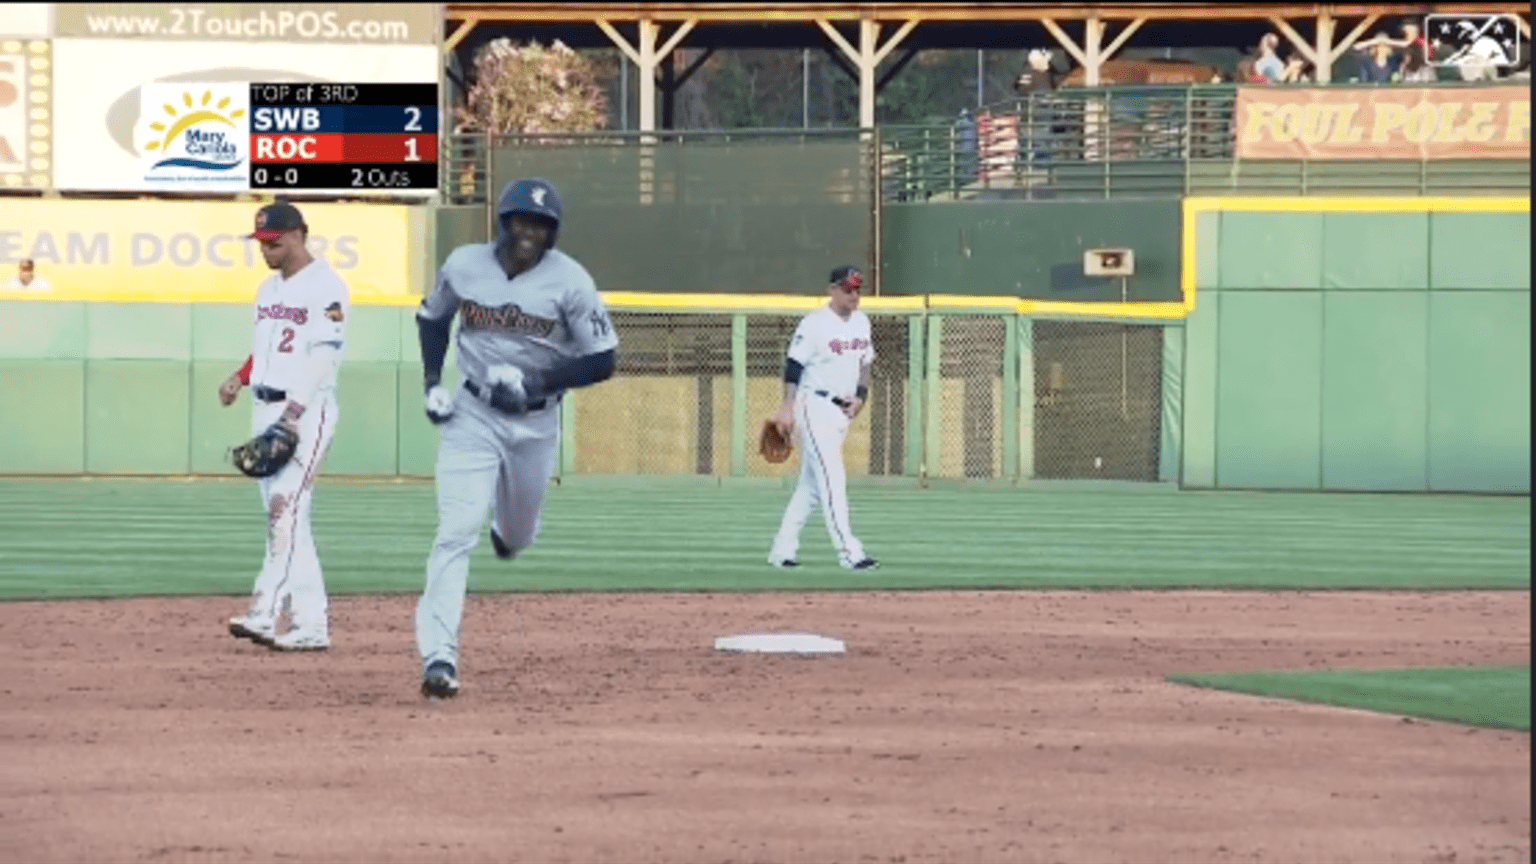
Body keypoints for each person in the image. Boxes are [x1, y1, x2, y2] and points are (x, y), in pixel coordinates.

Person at [414, 178, 619, 699]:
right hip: (473, 414)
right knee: (455, 532)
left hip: (535, 422)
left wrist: (536, 383)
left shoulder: (572, 281)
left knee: (519, 534)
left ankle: (509, 534)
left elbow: (603, 360)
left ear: (553, 232)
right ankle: (439, 657)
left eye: (542, 225)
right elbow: (432, 319)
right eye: (522, 221)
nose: (530, 232)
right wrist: (432, 382)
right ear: (503, 222)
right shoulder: (464, 264)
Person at [220, 201, 350, 652]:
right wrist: (240, 377)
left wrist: (293, 414)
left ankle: (264, 612)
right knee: (290, 523)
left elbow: (324, 355)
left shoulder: (326, 286)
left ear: (298, 235)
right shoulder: (267, 289)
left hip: (306, 413)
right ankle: (312, 626)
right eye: (261, 243)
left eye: (273, 242)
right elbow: (265, 349)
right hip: (264, 406)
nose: (266, 250)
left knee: (284, 511)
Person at [766, 265, 879, 573]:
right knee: (833, 479)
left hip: (842, 411)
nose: (854, 295)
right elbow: (794, 366)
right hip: (813, 406)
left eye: (857, 289)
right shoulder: (814, 324)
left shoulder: (862, 322)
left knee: (812, 488)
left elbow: (866, 362)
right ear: (833, 290)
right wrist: (787, 407)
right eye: (848, 289)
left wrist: (861, 396)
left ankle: (782, 550)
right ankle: (850, 553)